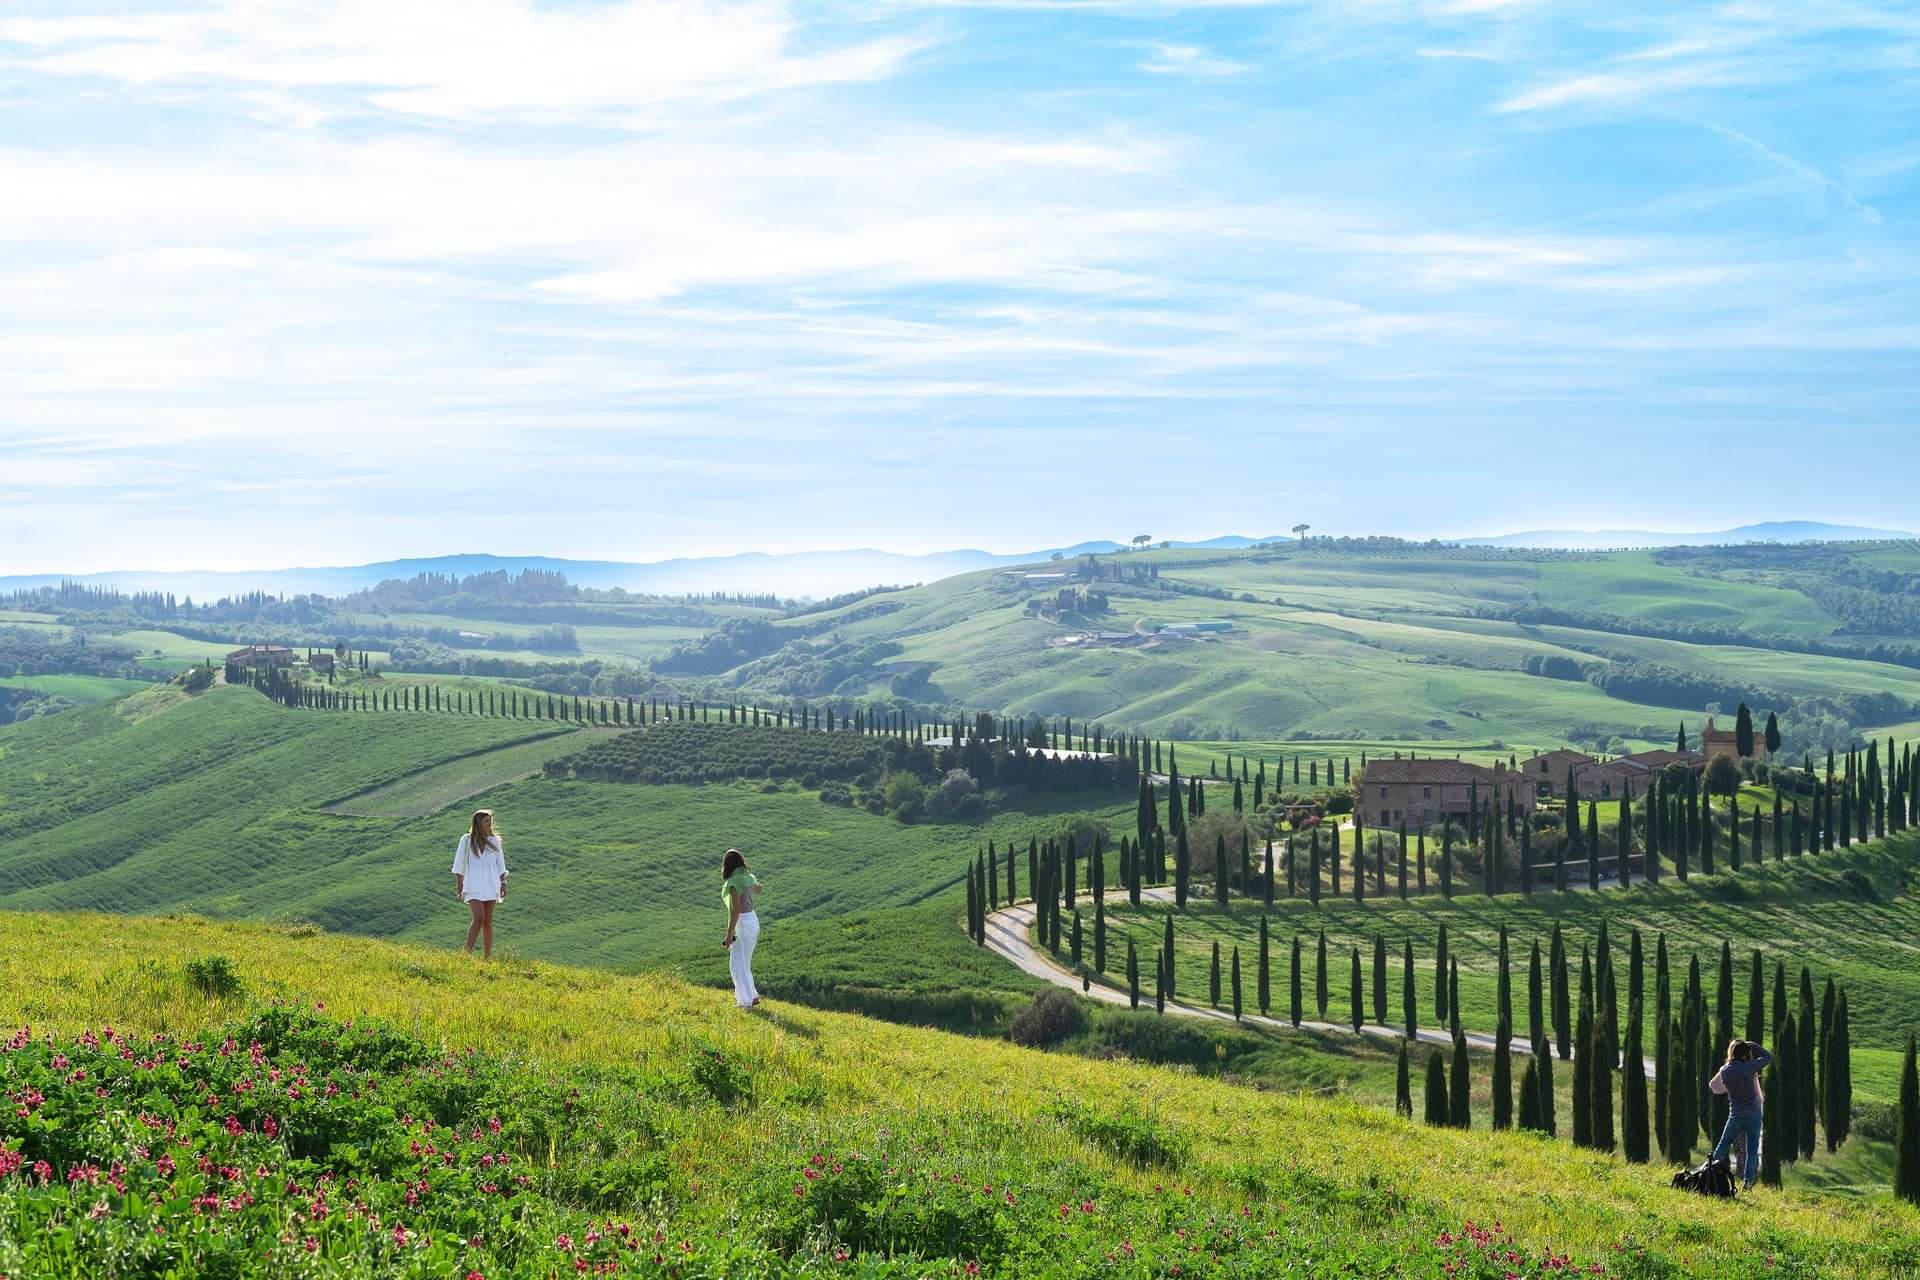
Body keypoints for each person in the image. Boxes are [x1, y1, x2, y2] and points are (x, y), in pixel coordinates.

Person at [1707, 1038, 1772, 1188]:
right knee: (1752, 1150)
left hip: (1735, 1114)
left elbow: (1714, 1086)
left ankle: (1710, 1171)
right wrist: (1753, 1045)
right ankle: (1747, 1183)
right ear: (1744, 1055)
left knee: (1723, 1145)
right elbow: (1767, 1057)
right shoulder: (1750, 1068)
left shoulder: (1724, 1070)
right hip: (1753, 1114)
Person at [452, 809, 507, 959]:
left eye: (490, 821)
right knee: (479, 917)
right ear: (478, 823)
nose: (489, 824)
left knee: (488, 922)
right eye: (486, 821)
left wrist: (503, 882)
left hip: (491, 884)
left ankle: (486, 957)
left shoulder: (494, 842)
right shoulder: (466, 840)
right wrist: (459, 882)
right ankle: (467, 953)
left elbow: (500, 864)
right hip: (473, 885)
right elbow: (459, 862)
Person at [721, 848, 765, 1009]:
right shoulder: (747, 877)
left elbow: (736, 910)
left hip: (743, 923)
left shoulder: (733, 882)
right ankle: (752, 996)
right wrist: (753, 883)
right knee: (744, 963)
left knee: (736, 964)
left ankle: (745, 1002)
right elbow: (759, 889)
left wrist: (729, 935)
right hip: (753, 920)